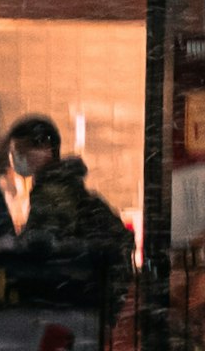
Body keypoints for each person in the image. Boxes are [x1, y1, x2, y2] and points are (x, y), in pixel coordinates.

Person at [8, 124, 133, 319]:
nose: (18, 158)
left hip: (72, 302)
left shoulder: (53, 191)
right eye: (16, 151)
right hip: (88, 298)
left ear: (46, 150)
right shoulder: (64, 185)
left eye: (23, 150)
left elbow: (45, 245)